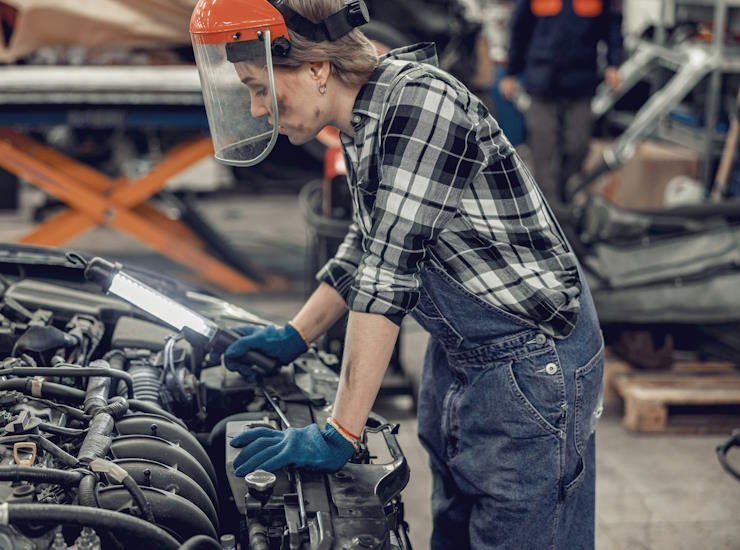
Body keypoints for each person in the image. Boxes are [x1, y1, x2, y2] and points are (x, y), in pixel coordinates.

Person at [189, 1, 605, 548]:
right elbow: (369, 242)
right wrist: (297, 334)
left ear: (316, 67)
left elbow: (388, 276)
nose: (259, 107)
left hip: (529, 364)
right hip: (463, 356)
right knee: (455, 530)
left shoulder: (420, 106)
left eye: (261, 85)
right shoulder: (367, 118)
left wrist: (341, 428)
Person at [500, 0, 624, 208]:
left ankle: (565, 194)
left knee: (578, 144)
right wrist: (511, 72)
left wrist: (613, 63)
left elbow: (611, 25)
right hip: (542, 82)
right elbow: (520, 27)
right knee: (544, 147)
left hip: (581, 83)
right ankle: (550, 208)